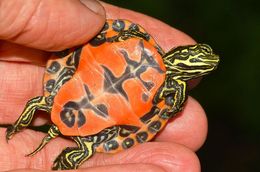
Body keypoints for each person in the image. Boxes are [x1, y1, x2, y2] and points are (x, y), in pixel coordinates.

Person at [0, 0, 208, 171]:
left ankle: (68, 153)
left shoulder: (167, 76)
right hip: (89, 128)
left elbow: (174, 105)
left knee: (40, 103)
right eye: (201, 55)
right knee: (84, 144)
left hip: (65, 101)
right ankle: (78, 153)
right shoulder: (174, 85)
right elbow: (172, 106)